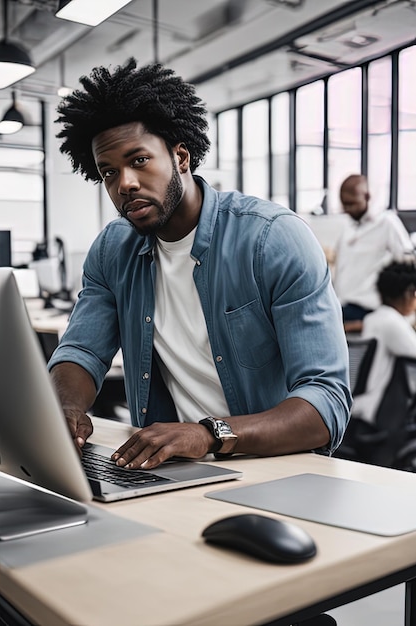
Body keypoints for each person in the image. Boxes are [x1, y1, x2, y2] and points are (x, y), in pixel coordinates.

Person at [48, 58, 351, 473]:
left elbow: (327, 402)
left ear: (181, 157)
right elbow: (82, 350)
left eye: (139, 160)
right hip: (172, 469)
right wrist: (64, 410)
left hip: (278, 468)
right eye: (109, 172)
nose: (125, 184)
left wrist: (209, 433)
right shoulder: (112, 250)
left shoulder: (272, 239)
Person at [333, 174, 413, 333]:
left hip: (369, 309)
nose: (348, 209)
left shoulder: (387, 223)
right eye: (344, 205)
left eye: (352, 204)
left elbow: (407, 264)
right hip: (342, 306)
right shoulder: (348, 227)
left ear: (367, 196)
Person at [352, 260, 416, 425]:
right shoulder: (392, 322)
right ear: (408, 293)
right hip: (376, 412)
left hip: (359, 405)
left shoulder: (374, 318)